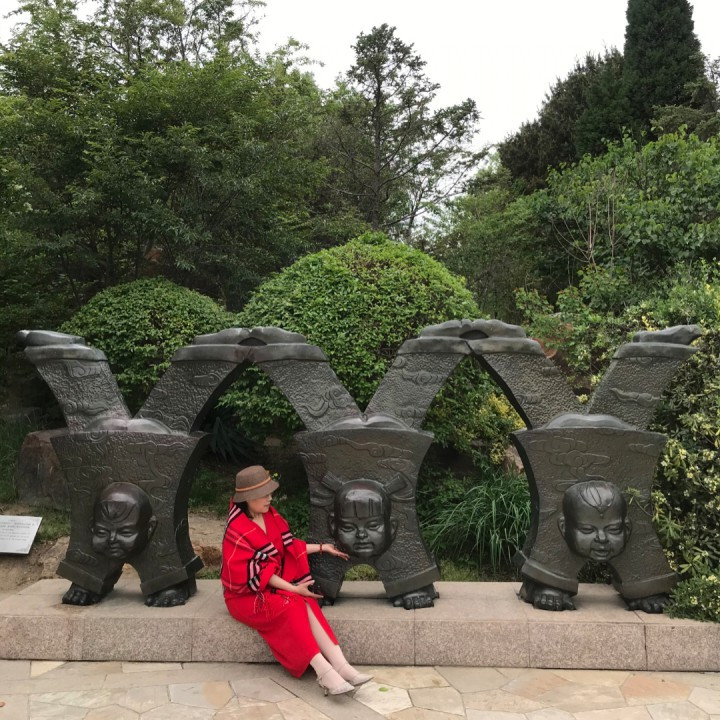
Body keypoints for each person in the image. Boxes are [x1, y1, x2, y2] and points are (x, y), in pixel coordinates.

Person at [221, 465, 372, 696]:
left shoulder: (270, 516)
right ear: (248, 498)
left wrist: (322, 548)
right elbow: (257, 575)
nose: (270, 498)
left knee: (307, 602)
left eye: (270, 493)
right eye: (264, 495)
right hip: (245, 596)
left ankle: (341, 665)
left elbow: (288, 546)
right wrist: (293, 589)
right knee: (292, 604)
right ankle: (324, 672)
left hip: (269, 585)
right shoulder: (237, 529)